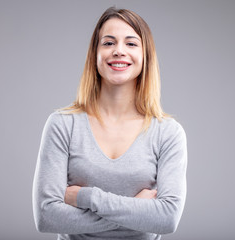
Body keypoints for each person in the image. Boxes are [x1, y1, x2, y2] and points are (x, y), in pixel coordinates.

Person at [32, 7, 187, 240]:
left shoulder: (168, 132)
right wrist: (137, 212)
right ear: (95, 54)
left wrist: (86, 197)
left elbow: (167, 218)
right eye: (108, 43)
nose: (119, 51)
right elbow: (46, 217)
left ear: (146, 56)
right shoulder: (63, 125)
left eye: (131, 43)